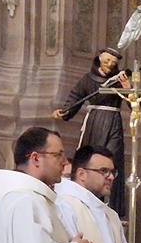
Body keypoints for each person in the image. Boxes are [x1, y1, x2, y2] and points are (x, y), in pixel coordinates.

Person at [53, 47, 127, 216]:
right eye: (107, 61)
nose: (110, 64)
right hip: (94, 122)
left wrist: (127, 87)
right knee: (92, 159)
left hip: (113, 123)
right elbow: (76, 96)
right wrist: (66, 111)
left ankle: (111, 204)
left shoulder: (119, 80)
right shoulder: (88, 79)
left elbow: (134, 101)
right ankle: (87, 199)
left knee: (113, 160)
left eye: (113, 63)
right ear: (99, 59)